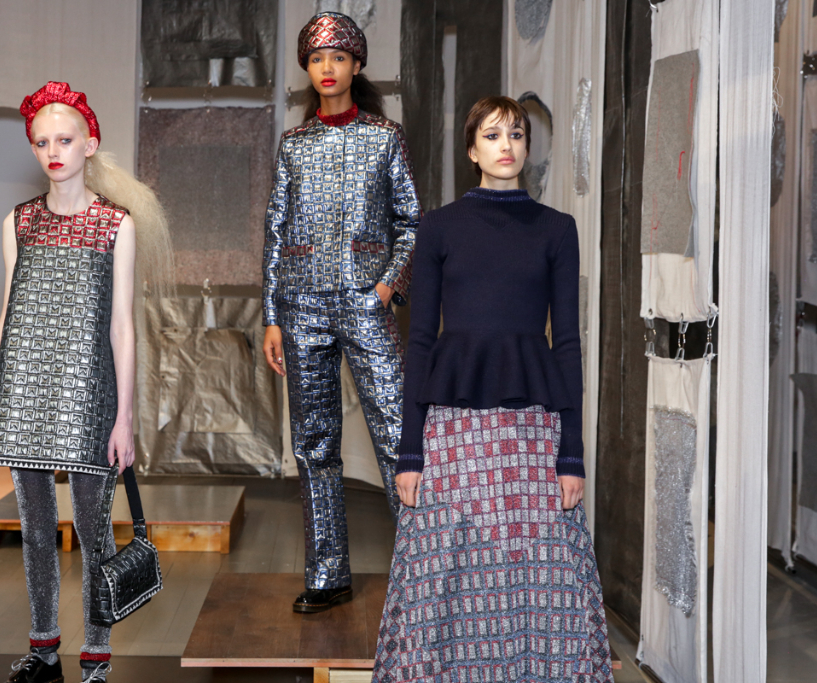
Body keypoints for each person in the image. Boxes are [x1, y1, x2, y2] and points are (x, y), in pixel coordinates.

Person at [373, 96, 613, 682]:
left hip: (533, 430)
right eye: (492, 134)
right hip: (452, 429)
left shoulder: (557, 229)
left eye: (517, 134)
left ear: (527, 148)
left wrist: (572, 454)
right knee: (442, 572)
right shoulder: (438, 227)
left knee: (542, 570)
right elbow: (420, 340)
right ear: (472, 149)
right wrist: (410, 451)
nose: (506, 145)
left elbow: (568, 344)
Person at [0, 81, 172, 683]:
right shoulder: (18, 222)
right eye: (42, 143)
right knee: (35, 529)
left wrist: (125, 418)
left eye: (64, 140)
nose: (53, 152)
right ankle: (43, 651)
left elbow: (123, 326)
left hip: (89, 396)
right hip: (24, 393)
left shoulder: (116, 224)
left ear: (89, 144)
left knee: (93, 529)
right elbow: (9, 316)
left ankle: (96, 658)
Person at [261, 11, 421, 613]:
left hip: (365, 303)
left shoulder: (384, 136)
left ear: (356, 65)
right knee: (313, 443)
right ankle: (328, 575)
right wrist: (272, 315)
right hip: (301, 306)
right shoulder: (293, 144)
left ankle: (419, 574)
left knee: (396, 433)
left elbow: (412, 223)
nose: (327, 68)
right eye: (316, 58)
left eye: (338, 57)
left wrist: (386, 287)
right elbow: (275, 233)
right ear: (307, 68)